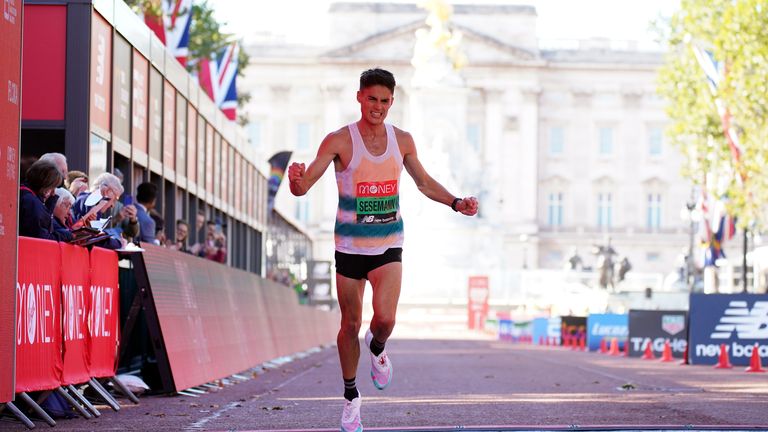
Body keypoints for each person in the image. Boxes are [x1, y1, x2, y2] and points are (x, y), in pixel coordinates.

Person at [287, 68, 478, 431]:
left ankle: (377, 349)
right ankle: (350, 397)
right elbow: (304, 187)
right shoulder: (338, 140)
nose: (378, 107)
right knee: (350, 324)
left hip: (389, 243)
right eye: (372, 99)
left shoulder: (402, 140)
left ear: (393, 102)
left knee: (385, 320)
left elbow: (423, 183)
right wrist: (296, 181)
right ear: (360, 97)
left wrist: (455, 202)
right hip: (349, 247)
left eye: (385, 101)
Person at [19, 160, 64, 240]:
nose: (53, 193)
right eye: (52, 187)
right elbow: (42, 237)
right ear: (45, 184)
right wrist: (66, 235)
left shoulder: (25, 196)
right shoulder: (31, 202)